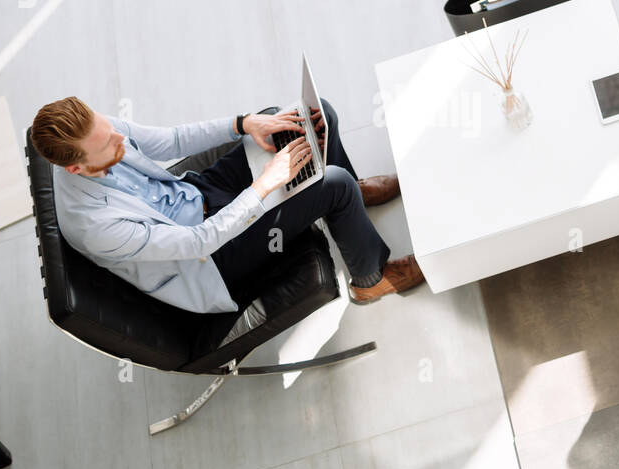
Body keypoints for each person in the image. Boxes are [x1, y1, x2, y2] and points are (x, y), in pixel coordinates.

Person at [29, 96, 425, 313]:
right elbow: (200, 242)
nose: (120, 138)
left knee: (309, 117)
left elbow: (172, 142)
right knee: (332, 184)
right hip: (211, 260)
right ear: (76, 167)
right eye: (110, 144)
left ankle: (349, 196)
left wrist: (244, 123)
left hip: (200, 194)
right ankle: (371, 278)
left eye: (112, 128)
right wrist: (266, 183)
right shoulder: (95, 225)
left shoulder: (100, 132)